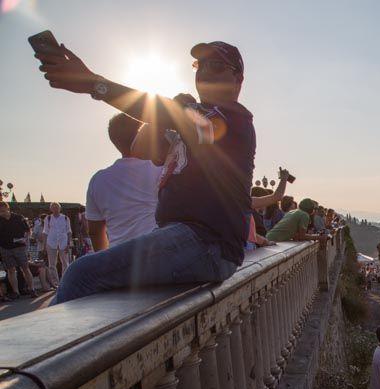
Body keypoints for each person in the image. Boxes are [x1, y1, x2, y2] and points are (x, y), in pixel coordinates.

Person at [35, 39, 255, 304]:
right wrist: (171, 113)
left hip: (206, 244)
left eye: (217, 65)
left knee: (80, 274)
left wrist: (94, 83)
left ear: (238, 80)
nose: (205, 71)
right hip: (187, 240)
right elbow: (139, 147)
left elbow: (171, 116)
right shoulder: (195, 119)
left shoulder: (234, 119)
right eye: (200, 65)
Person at [85, 113, 166, 251]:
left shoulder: (97, 180)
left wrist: (108, 261)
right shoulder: (162, 169)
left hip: (120, 261)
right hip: (159, 254)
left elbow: (95, 231)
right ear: (143, 132)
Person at [0, 200, 37, 299]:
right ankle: (16, 292)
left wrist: (25, 239)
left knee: (25, 268)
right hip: (5, 248)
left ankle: (32, 289)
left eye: (3, 211)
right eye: (0, 212)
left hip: (19, 247)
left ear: (8, 209)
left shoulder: (18, 218)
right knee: (11, 270)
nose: (2, 213)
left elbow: (28, 231)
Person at [42, 202, 72, 287]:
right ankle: (56, 283)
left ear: (60, 208)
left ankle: (65, 281)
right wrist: (44, 245)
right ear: (51, 209)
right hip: (51, 242)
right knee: (52, 264)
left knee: (65, 262)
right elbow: (45, 232)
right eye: (53, 207)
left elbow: (69, 231)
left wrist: (69, 243)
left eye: (57, 207)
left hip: (63, 241)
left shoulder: (65, 218)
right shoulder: (47, 218)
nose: (55, 209)